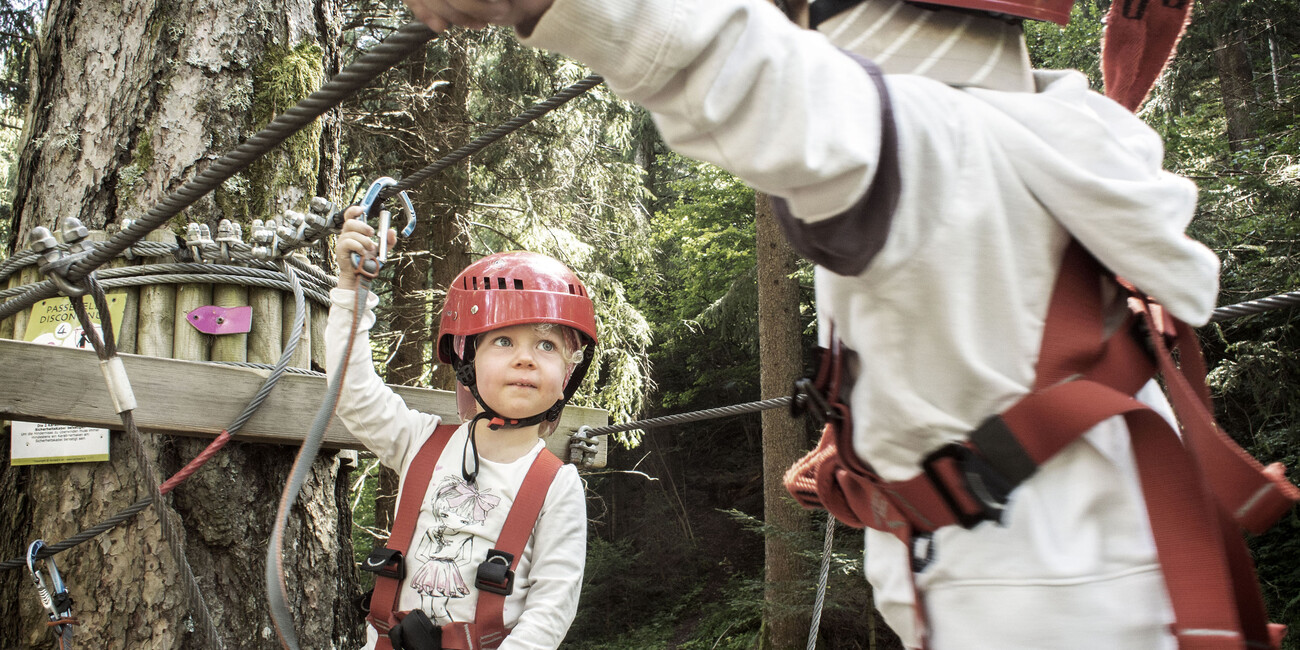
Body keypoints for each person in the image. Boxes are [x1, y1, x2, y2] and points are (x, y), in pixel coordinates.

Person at [393, 0, 1300, 649]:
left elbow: (748, 79)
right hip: (1092, 594)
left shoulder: (929, 145)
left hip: (1050, 615)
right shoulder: (1033, 141)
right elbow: (1002, 364)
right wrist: (892, 453)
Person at [329, 208, 592, 650]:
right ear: (467, 360)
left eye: (546, 345)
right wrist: (352, 292)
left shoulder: (556, 486)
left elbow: (549, 611)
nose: (525, 358)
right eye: (503, 341)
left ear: (567, 374)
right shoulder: (421, 443)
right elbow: (353, 393)